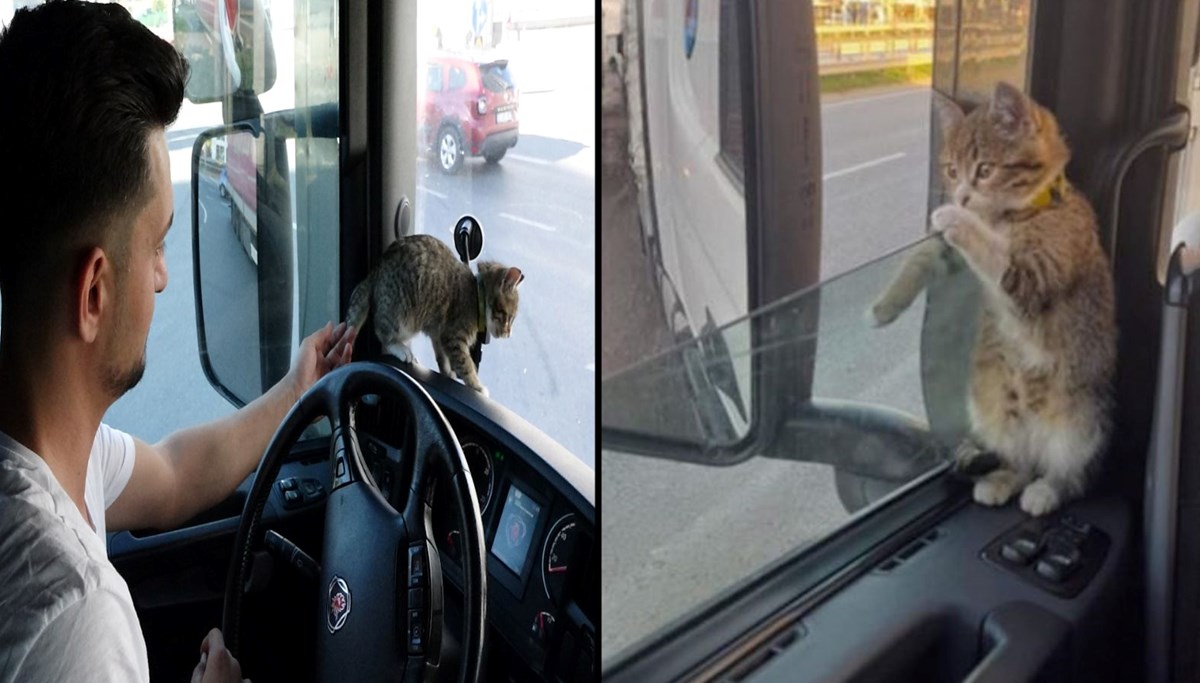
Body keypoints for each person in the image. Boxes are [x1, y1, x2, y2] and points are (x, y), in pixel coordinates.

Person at [0, 2, 356, 682]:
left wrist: (296, 388)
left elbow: (175, 471)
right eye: (157, 245)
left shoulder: (52, 453)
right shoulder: (74, 618)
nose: (164, 277)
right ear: (94, 292)